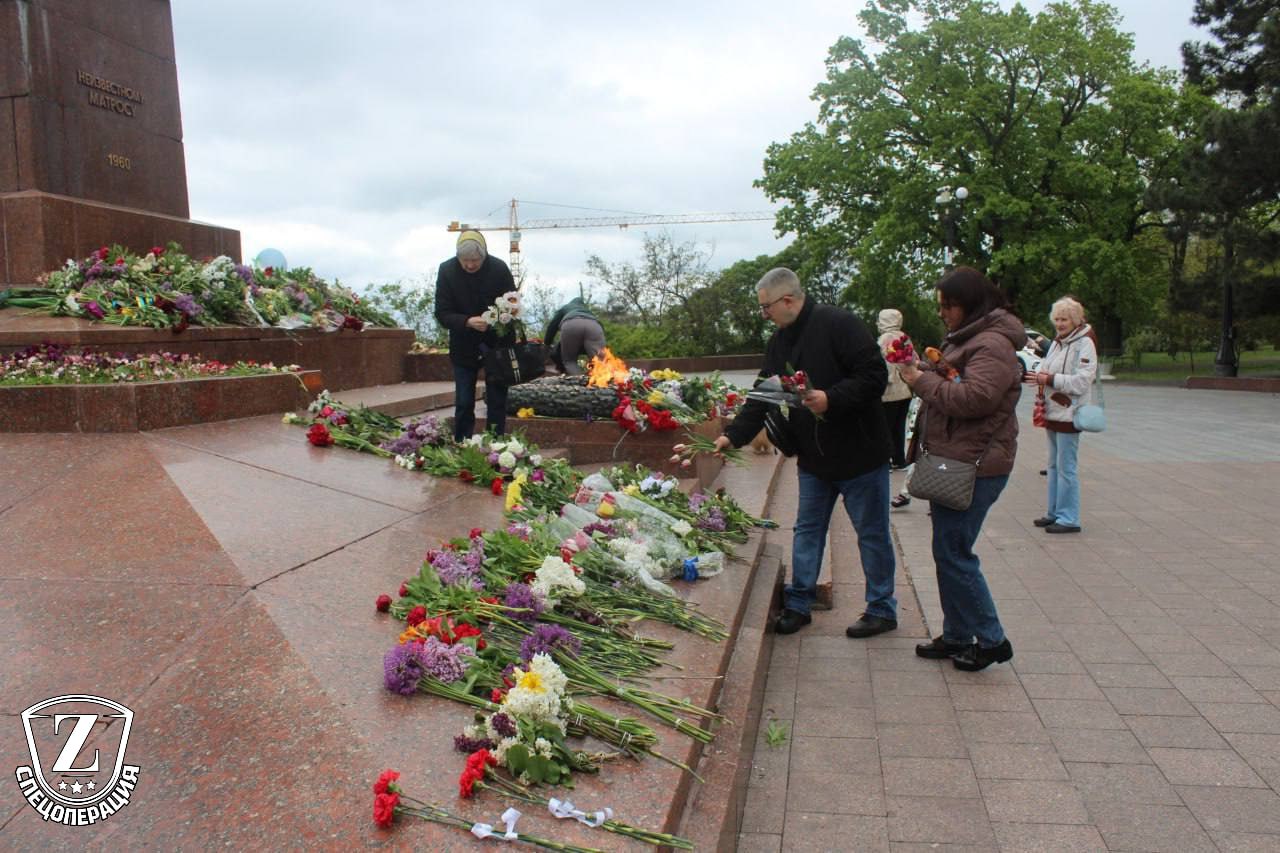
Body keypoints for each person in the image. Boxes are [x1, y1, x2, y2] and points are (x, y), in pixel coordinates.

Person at [708, 268, 897, 638]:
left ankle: (882, 609)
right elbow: (764, 394)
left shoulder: (840, 324)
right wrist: (732, 437)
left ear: (788, 300)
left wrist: (831, 398)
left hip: (861, 456)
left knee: (872, 534)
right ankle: (799, 603)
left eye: (766, 308)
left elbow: (875, 376)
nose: (764, 315)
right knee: (808, 530)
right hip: (814, 459)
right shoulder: (780, 341)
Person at [900, 266, 1024, 671]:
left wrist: (920, 381)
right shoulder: (969, 338)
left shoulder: (991, 344)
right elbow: (953, 377)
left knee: (954, 553)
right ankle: (956, 634)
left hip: (976, 464)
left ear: (969, 305)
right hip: (956, 459)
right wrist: (920, 366)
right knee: (947, 549)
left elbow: (975, 398)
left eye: (947, 306)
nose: (942, 314)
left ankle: (991, 640)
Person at [434, 230, 514, 441]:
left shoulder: (499, 268)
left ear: (484, 255)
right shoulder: (447, 270)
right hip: (464, 344)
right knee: (463, 401)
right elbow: (442, 312)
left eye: (475, 260)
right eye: (465, 261)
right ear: (458, 258)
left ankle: (496, 445)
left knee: (497, 400)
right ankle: (462, 443)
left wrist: (495, 319)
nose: (470, 265)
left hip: (496, 344)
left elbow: (513, 304)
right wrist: (467, 321)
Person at [1029, 296, 1097, 534]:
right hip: (1052, 410)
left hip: (1069, 412)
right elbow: (1046, 367)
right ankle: (1054, 512)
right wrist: (1037, 375)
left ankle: (1069, 518)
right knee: (1053, 465)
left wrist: (1048, 379)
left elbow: (1082, 381)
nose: (1059, 323)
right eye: (1056, 319)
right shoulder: (1059, 342)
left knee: (1066, 467)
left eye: (1064, 319)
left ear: (1075, 319)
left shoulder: (1084, 343)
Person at [543, 296, 605, 375]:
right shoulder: (587, 311)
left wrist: (547, 343)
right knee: (599, 361)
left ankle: (579, 383)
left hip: (571, 324)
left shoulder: (565, 308)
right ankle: (602, 383)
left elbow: (552, 326)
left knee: (569, 361)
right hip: (594, 326)